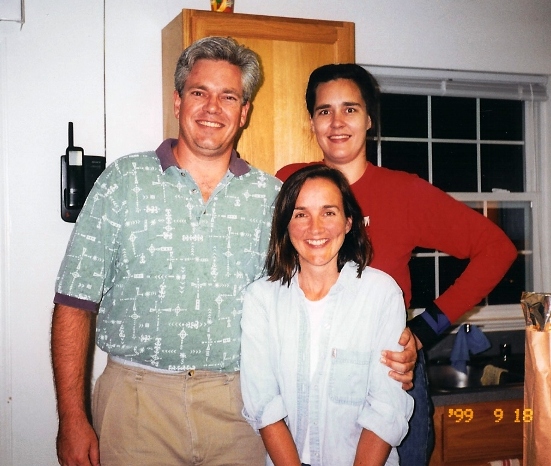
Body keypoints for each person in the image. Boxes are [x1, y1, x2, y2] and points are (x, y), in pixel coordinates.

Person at [50, 36, 282, 466]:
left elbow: (308, 297)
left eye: (228, 96)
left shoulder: (274, 197)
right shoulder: (123, 181)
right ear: (178, 102)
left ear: (244, 111)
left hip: (241, 408)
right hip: (136, 406)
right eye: (199, 92)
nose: (212, 108)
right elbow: (73, 304)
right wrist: (72, 418)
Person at [275, 63, 518, 465]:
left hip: (390, 372)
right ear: (312, 122)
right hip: (308, 369)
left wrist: (426, 329)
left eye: (350, 109)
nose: (337, 122)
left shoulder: (404, 192)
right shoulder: (288, 183)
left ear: (370, 119)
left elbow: (496, 248)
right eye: (324, 111)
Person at [240, 164, 414, 466]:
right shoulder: (260, 300)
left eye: (329, 212)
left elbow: (386, 409)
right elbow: (264, 406)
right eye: (301, 214)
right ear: (285, 225)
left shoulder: (382, 294)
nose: (315, 228)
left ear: (348, 222)